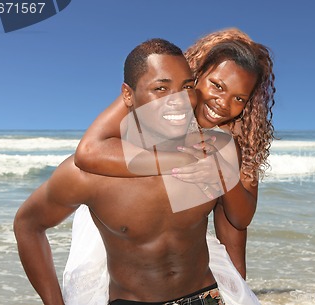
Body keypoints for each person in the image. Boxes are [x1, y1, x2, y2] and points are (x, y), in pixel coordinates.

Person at [14, 38, 240, 305]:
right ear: (128, 95)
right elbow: (27, 225)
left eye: (186, 87)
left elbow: (235, 225)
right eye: (160, 88)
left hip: (206, 297)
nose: (178, 101)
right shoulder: (91, 173)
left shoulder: (207, 155)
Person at [73, 28, 276, 279]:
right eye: (216, 85)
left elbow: (240, 220)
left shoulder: (236, 131)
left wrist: (224, 173)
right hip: (117, 220)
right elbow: (88, 151)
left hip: (173, 232)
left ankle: (237, 291)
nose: (223, 104)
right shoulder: (162, 92)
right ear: (196, 74)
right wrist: (180, 159)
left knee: (222, 175)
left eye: (239, 98)